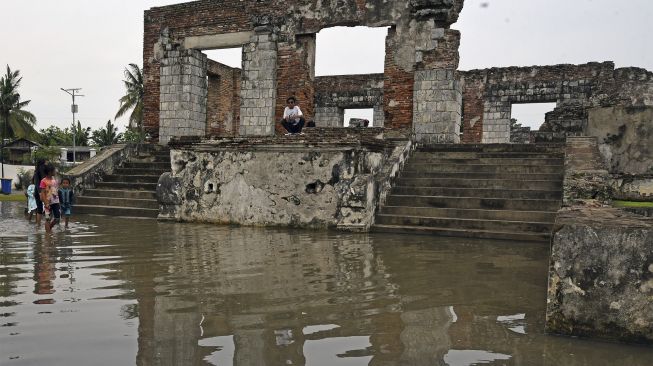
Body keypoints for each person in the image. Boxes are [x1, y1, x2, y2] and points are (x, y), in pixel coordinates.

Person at [39, 164, 60, 233]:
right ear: (49, 172)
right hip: (47, 202)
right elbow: (42, 193)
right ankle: (48, 235)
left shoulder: (54, 180)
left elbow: (55, 190)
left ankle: (49, 228)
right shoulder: (43, 181)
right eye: (53, 170)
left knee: (57, 218)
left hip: (56, 202)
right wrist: (45, 203)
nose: (55, 171)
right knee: (48, 218)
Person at [33, 159, 48, 226]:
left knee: (42, 208)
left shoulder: (40, 171)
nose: (46, 164)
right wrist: (39, 192)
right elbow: (37, 183)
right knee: (40, 209)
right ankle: (39, 224)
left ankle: (39, 224)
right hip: (39, 191)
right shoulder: (39, 171)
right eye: (45, 162)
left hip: (42, 191)